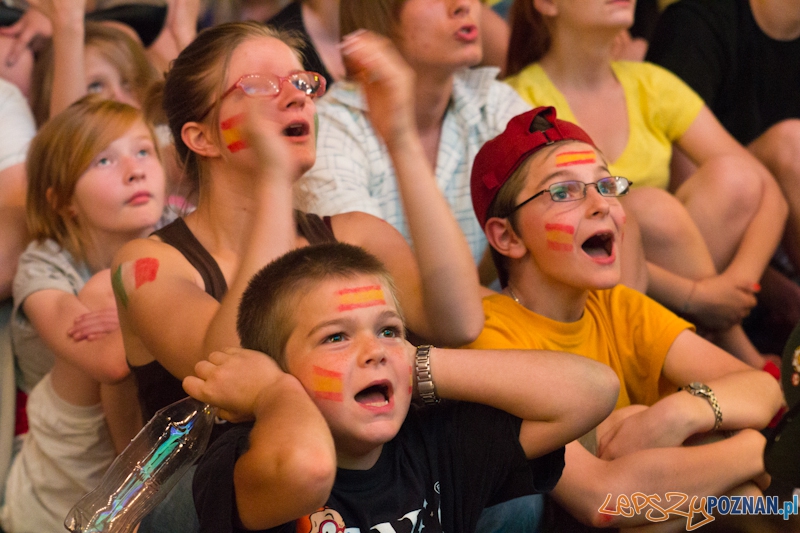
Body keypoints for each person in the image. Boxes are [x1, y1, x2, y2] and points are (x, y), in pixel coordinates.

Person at [112, 22, 483, 530]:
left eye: (303, 83)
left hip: (365, 499)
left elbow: (459, 322)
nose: (295, 98)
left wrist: (400, 137)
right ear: (200, 137)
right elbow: (231, 362)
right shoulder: (148, 262)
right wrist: (272, 180)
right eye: (261, 85)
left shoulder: (353, 236)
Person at [467, 106, 784, 529]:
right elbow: (603, 500)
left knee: (743, 493)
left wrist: (676, 415)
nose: (602, 206)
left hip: (659, 504)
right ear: (507, 237)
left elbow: (764, 388)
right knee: (740, 487)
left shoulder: (615, 305)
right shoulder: (492, 336)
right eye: (563, 192)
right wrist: (754, 450)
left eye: (605, 184)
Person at [184, 241, 620, 532]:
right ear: (276, 369)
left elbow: (594, 389)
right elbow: (308, 470)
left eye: (390, 330)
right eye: (336, 337)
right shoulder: (242, 459)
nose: (374, 350)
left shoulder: (434, 443)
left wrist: (418, 364)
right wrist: (272, 393)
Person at [502, 0, 788, 368]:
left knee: (735, 177)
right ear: (547, 4)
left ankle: (712, 350)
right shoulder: (519, 102)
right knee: (645, 207)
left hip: (673, 279)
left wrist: (735, 287)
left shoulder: (650, 83)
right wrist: (697, 296)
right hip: (583, 287)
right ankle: (741, 359)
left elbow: (769, 195)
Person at [0, 97, 165, 533]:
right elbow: (111, 363)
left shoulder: (175, 235)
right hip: (65, 471)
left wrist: (131, 322)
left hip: (147, 436)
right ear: (63, 201)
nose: (135, 169)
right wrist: (138, 316)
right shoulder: (43, 264)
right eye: (105, 160)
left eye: (144, 151)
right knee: (105, 288)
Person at [297, 0, 531, 267]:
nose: (463, 5)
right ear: (378, 15)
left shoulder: (492, 101)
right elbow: (387, 289)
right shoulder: (330, 131)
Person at [647, 0, 800, 334]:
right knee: (790, 145)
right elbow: (694, 197)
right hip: (701, 252)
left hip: (762, 250)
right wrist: (763, 288)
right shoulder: (697, 23)